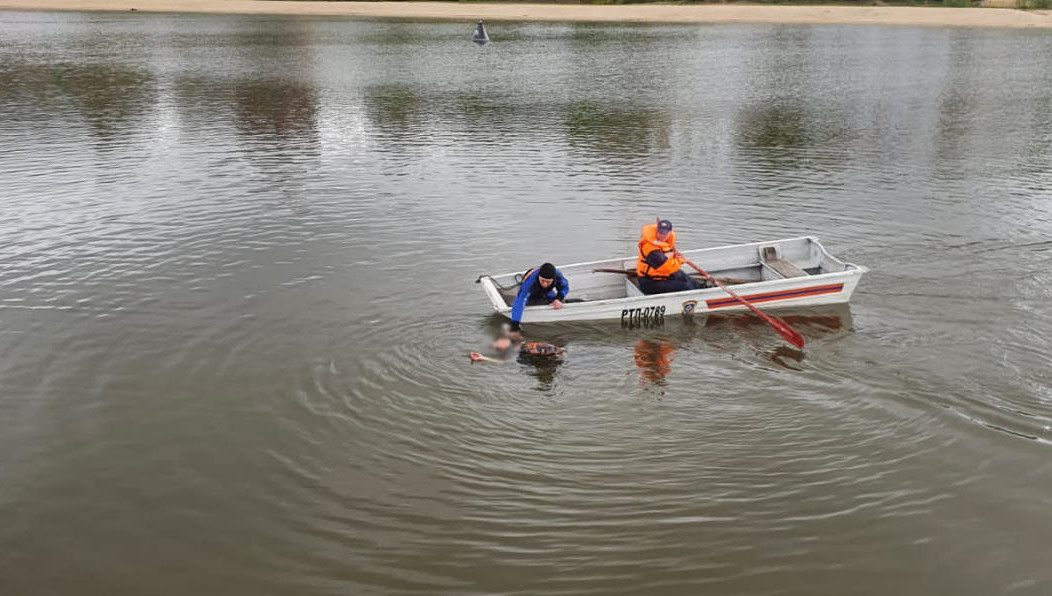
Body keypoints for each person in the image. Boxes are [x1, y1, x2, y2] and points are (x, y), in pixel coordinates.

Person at [636, 219, 702, 295]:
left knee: (690, 281)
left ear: (669, 233)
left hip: (662, 277)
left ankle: (701, 289)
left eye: (665, 233)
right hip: (650, 282)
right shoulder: (649, 248)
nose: (662, 235)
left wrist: (673, 255)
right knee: (686, 286)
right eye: (660, 232)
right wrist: (681, 260)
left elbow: (668, 258)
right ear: (656, 231)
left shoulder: (666, 243)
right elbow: (666, 268)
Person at [508, 262, 569, 334]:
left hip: (547, 292)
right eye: (542, 280)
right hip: (532, 293)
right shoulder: (530, 280)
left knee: (555, 301)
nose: (545, 284)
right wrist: (515, 324)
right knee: (531, 303)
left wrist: (559, 299)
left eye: (548, 282)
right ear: (538, 276)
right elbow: (520, 299)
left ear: (553, 279)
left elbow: (564, 287)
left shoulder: (558, 275)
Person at [469, 334, 565, 364]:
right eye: (540, 345)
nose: (536, 347)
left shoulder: (523, 358)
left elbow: (504, 362)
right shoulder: (523, 345)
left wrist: (482, 358)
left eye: (541, 350)